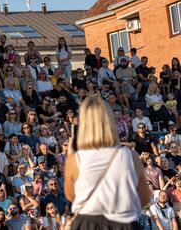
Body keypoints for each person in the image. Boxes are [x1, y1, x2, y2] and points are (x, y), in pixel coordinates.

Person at [64, 96, 151, 229]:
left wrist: (71, 158)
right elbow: (144, 199)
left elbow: (71, 196)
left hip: (87, 224)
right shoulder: (130, 156)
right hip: (123, 223)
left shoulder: (76, 159)